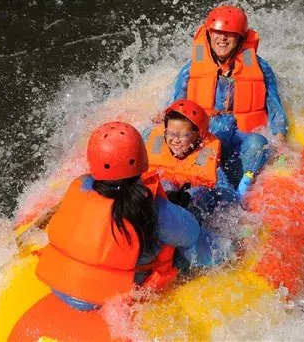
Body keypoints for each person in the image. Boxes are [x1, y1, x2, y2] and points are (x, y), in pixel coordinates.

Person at [35, 121, 228, 312]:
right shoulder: (153, 210)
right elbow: (193, 235)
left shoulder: (81, 185)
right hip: (107, 299)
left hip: (60, 285)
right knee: (199, 207)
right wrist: (228, 255)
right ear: (142, 158)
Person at [169, 5, 288, 195]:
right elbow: (178, 104)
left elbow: (275, 108)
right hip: (207, 135)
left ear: (240, 37)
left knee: (258, 143)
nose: (222, 38)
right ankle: (196, 188)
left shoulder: (260, 67)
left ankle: (242, 193)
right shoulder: (191, 68)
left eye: (229, 33)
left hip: (241, 136)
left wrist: (280, 138)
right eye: (217, 32)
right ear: (208, 34)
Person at [144, 99, 239, 223]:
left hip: (193, 195)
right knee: (162, 184)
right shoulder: (157, 139)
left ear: (197, 136)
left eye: (183, 135)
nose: (175, 140)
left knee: (200, 194)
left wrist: (191, 196)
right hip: (168, 189)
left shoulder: (207, 151)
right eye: (171, 134)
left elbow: (227, 195)